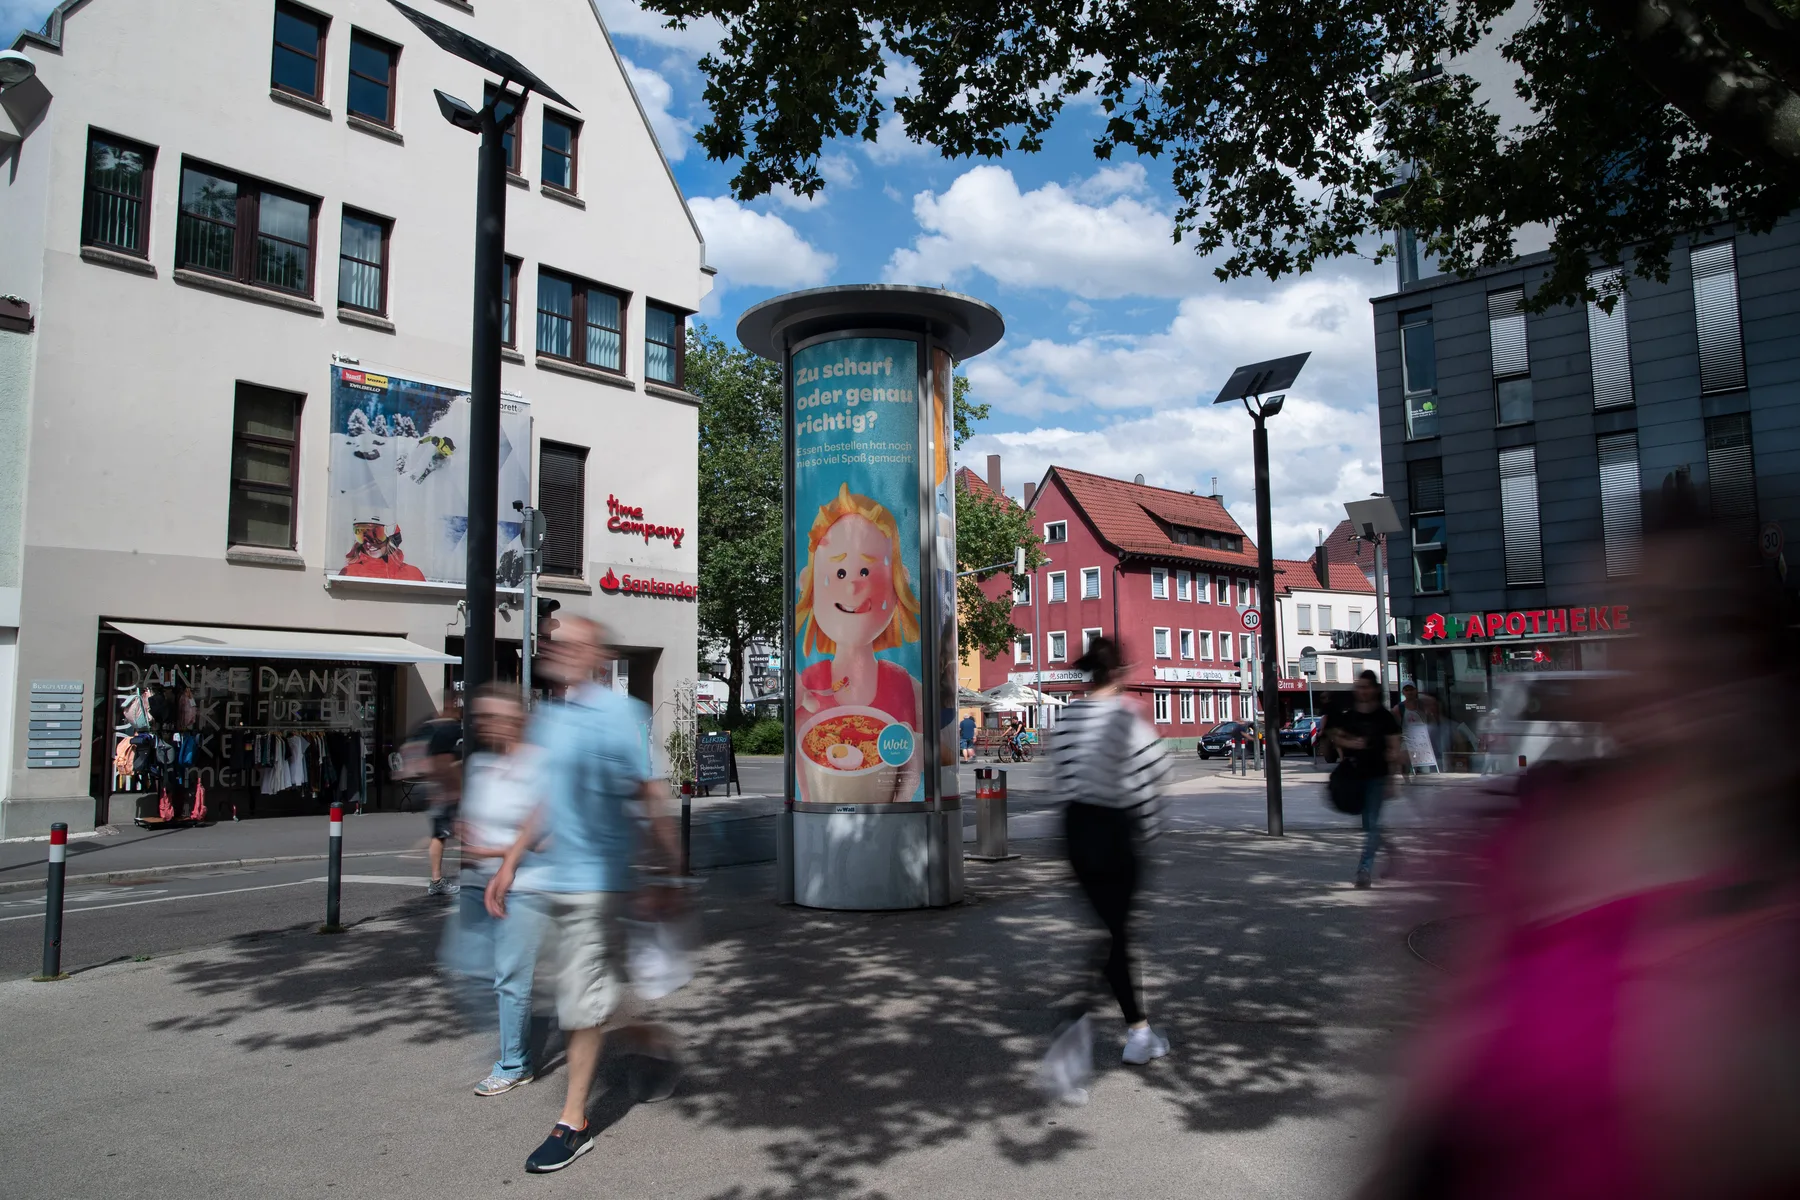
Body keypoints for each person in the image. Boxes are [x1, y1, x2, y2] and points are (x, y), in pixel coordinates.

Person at [486, 617, 680, 1175]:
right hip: (555, 881)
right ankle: (648, 1038)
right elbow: (545, 801)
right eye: (554, 641)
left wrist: (667, 872)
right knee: (586, 995)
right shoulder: (552, 719)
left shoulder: (622, 715)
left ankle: (573, 1124)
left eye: (570, 642)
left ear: (595, 655)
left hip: (600, 883)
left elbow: (648, 795)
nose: (557, 648)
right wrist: (511, 861)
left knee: (578, 1001)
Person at [1045, 635, 1172, 1084]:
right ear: (1117, 672)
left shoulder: (1067, 718)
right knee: (1115, 935)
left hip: (1076, 831)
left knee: (1113, 932)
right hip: (1115, 829)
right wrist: (1149, 829)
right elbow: (1156, 770)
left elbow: (1058, 780)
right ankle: (1080, 1024)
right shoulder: (1124, 716)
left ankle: (1140, 1031)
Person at [441, 684, 544, 1097]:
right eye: (483, 717)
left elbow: (547, 839)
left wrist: (498, 850)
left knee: (510, 976)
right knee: (469, 963)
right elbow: (472, 825)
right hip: (478, 881)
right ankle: (530, 1013)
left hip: (524, 885)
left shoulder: (540, 766)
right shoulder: (482, 765)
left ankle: (515, 1063)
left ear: (518, 718)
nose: (488, 724)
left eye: (497, 716)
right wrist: (468, 837)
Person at [1328, 670, 1402, 887]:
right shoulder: (1350, 716)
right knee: (1370, 825)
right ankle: (1393, 853)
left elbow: (1394, 749)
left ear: (1375, 689)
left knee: (1372, 823)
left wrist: (1392, 778)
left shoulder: (1385, 718)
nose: (1362, 691)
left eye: (1366, 687)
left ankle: (1364, 870)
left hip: (1377, 777)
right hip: (1354, 777)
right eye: (1359, 687)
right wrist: (1352, 743)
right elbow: (1336, 737)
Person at [404, 694, 464, 895]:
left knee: (446, 831)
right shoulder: (448, 729)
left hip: (438, 789)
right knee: (443, 833)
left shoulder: (434, 726)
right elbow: (443, 764)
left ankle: (437, 876)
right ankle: (436, 880)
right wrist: (455, 790)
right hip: (444, 790)